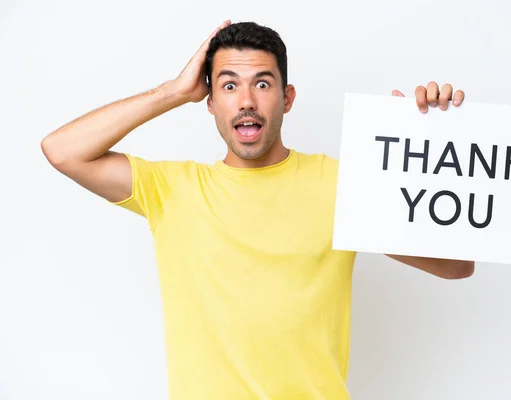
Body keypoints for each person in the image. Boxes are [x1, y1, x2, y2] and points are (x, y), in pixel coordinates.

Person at [41, 20, 474, 400]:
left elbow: (457, 265)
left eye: (262, 84)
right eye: (228, 85)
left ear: (287, 98)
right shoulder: (173, 189)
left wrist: (424, 146)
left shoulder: (343, 184)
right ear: (209, 101)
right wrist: (172, 92)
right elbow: (62, 151)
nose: (246, 100)